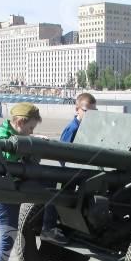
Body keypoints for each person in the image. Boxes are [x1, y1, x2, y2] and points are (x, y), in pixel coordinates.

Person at [0, 102, 44, 261]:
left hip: (10, 189)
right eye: (30, 128)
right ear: (19, 122)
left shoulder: (12, 131)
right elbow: (6, 150)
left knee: (9, 234)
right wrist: (30, 145)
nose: (31, 132)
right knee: (8, 236)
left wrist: (33, 140)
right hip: (1, 192)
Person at [40, 92, 98, 243]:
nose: (91, 115)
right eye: (87, 111)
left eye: (94, 112)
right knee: (59, 194)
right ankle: (49, 227)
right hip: (71, 172)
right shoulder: (72, 129)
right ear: (77, 110)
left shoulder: (91, 127)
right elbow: (63, 154)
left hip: (84, 171)